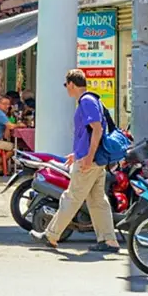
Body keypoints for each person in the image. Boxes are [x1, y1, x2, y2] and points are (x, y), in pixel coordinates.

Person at [29, 70, 120, 253]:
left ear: (71, 84)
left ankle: (51, 234)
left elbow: (97, 129)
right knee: (97, 201)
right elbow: (88, 133)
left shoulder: (86, 101)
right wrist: (77, 153)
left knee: (71, 197)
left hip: (90, 161)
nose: (66, 89)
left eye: (66, 85)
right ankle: (109, 240)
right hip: (94, 160)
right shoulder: (91, 100)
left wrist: (87, 156)